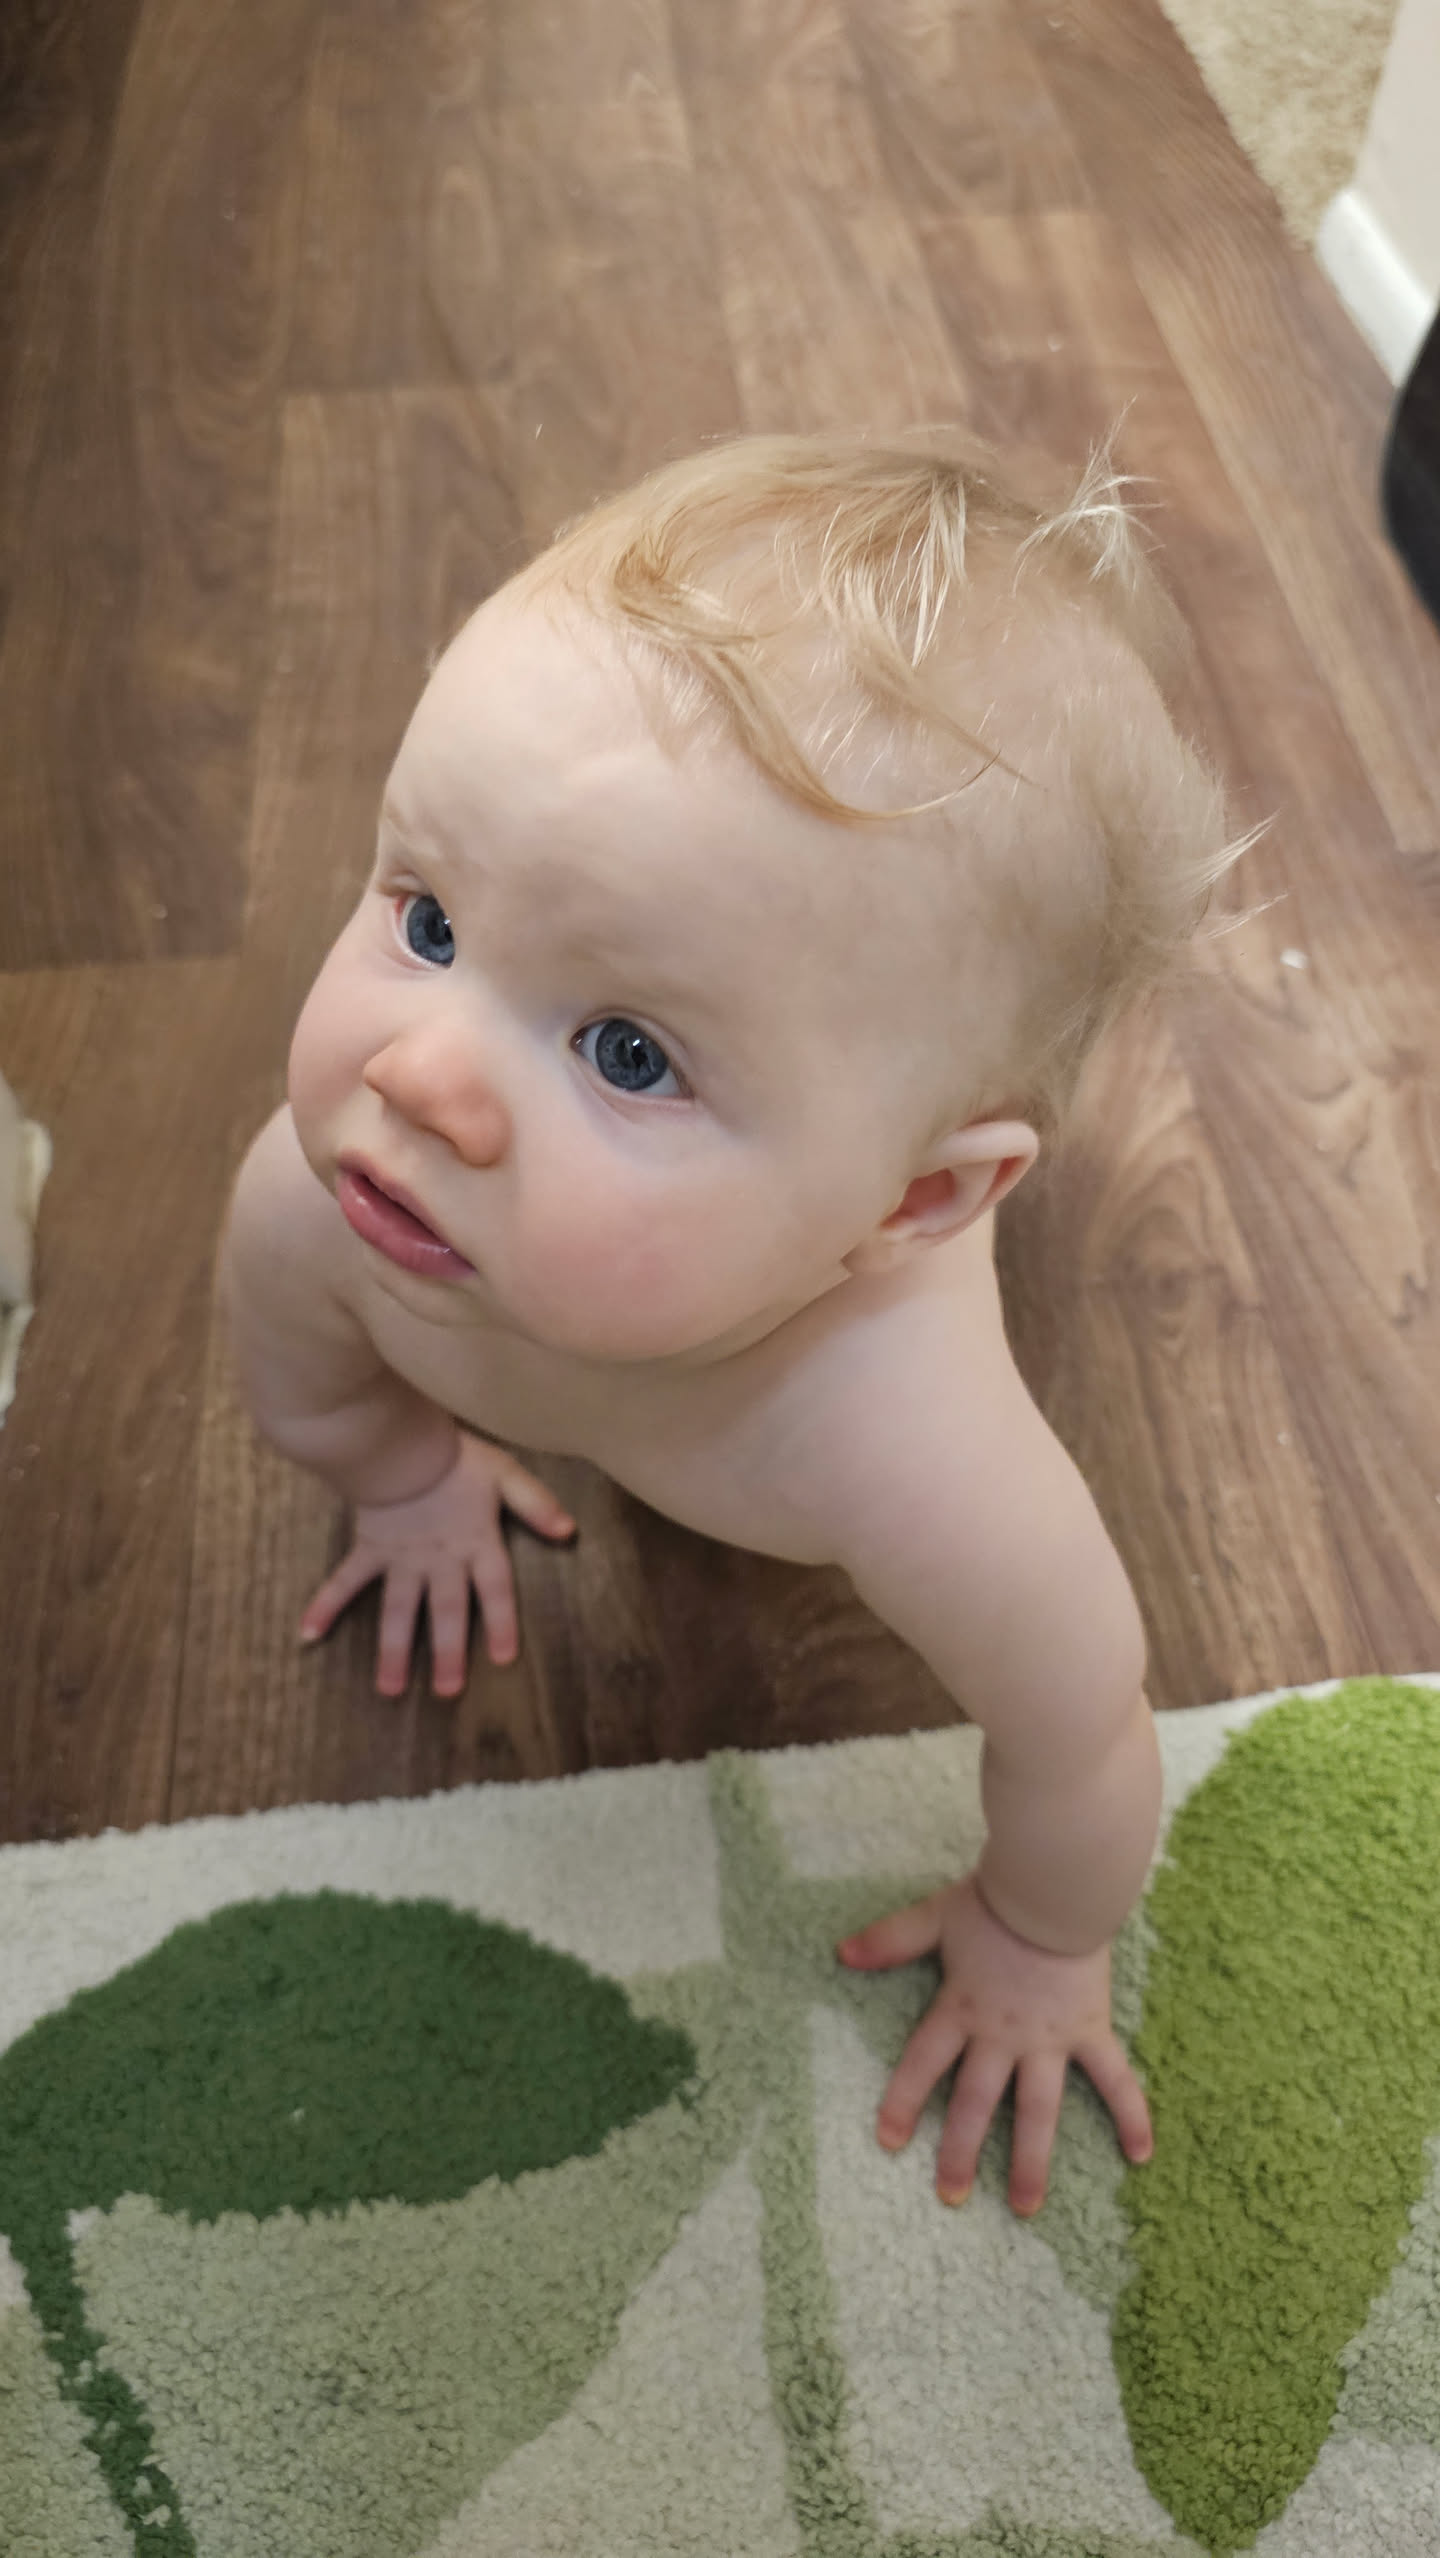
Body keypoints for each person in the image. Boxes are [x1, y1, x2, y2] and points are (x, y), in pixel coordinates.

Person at [221, 428, 1238, 2218]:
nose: (421, 1072)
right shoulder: (327, 1205)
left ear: (909, 1207)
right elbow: (297, 1364)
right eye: (431, 919)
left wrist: (1041, 1931)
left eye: (628, 1052)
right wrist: (398, 1477)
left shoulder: (915, 1449)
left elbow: (1078, 1726)